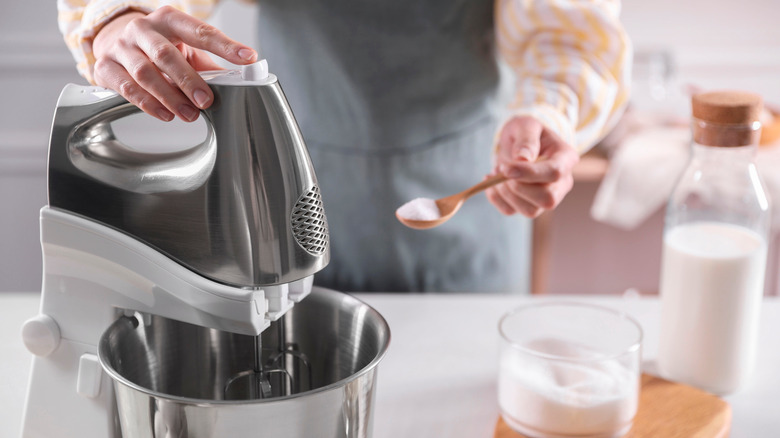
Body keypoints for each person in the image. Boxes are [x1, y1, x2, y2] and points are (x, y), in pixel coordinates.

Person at [57, 0, 630, 293]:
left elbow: (568, 32)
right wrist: (119, 18)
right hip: (289, 197)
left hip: (475, 201)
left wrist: (551, 112)